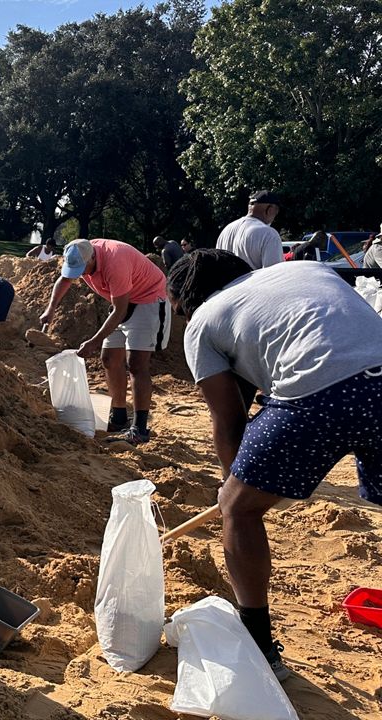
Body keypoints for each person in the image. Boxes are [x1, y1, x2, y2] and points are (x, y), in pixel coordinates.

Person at [167, 249, 382, 681]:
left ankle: (259, 645)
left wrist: (237, 487)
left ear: (187, 302)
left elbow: (228, 422)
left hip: (318, 391)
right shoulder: (302, 268)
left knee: (238, 509)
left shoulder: (204, 321)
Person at [40, 238, 170, 445]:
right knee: (109, 358)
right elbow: (64, 280)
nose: (81, 274)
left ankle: (140, 428)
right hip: (121, 301)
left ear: (93, 257)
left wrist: (94, 340)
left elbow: (120, 310)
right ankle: (118, 418)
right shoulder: (79, 252)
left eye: (83, 269)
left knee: (136, 363)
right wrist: (51, 309)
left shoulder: (115, 261)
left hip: (148, 299)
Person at [216, 190, 283, 269]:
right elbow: (273, 273)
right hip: (256, 281)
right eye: (277, 211)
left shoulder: (226, 230)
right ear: (270, 209)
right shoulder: (269, 234)